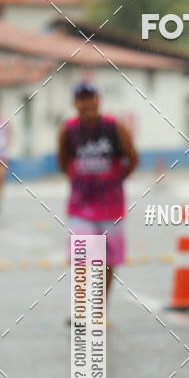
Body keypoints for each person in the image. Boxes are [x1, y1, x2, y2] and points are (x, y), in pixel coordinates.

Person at [58, 81, 138, 312]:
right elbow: (63, 162)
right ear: (75, 103)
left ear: (98, 99)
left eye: (91, 97)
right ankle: (83, 309)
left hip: (111, 206)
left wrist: (115, 178)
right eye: (82, 98)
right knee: (81, 257)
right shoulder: (68, 130)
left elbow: (132, 157)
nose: (87, 103)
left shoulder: (114, 127)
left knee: (108, 260)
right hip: (80, 207)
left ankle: (100, 307)